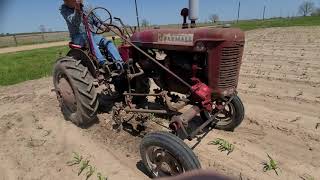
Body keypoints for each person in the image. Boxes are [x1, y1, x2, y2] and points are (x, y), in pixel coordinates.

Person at [60, 0, 125, 70]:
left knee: (107, 42)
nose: (76, 1)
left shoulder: (87, 6)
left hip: (92, 35)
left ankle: (120, 64)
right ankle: (103, 63)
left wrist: (103, 27)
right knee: (88, 36)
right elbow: (74, 22)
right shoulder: (64, 9)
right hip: (77, 37)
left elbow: (96, 21)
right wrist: (77, 10)